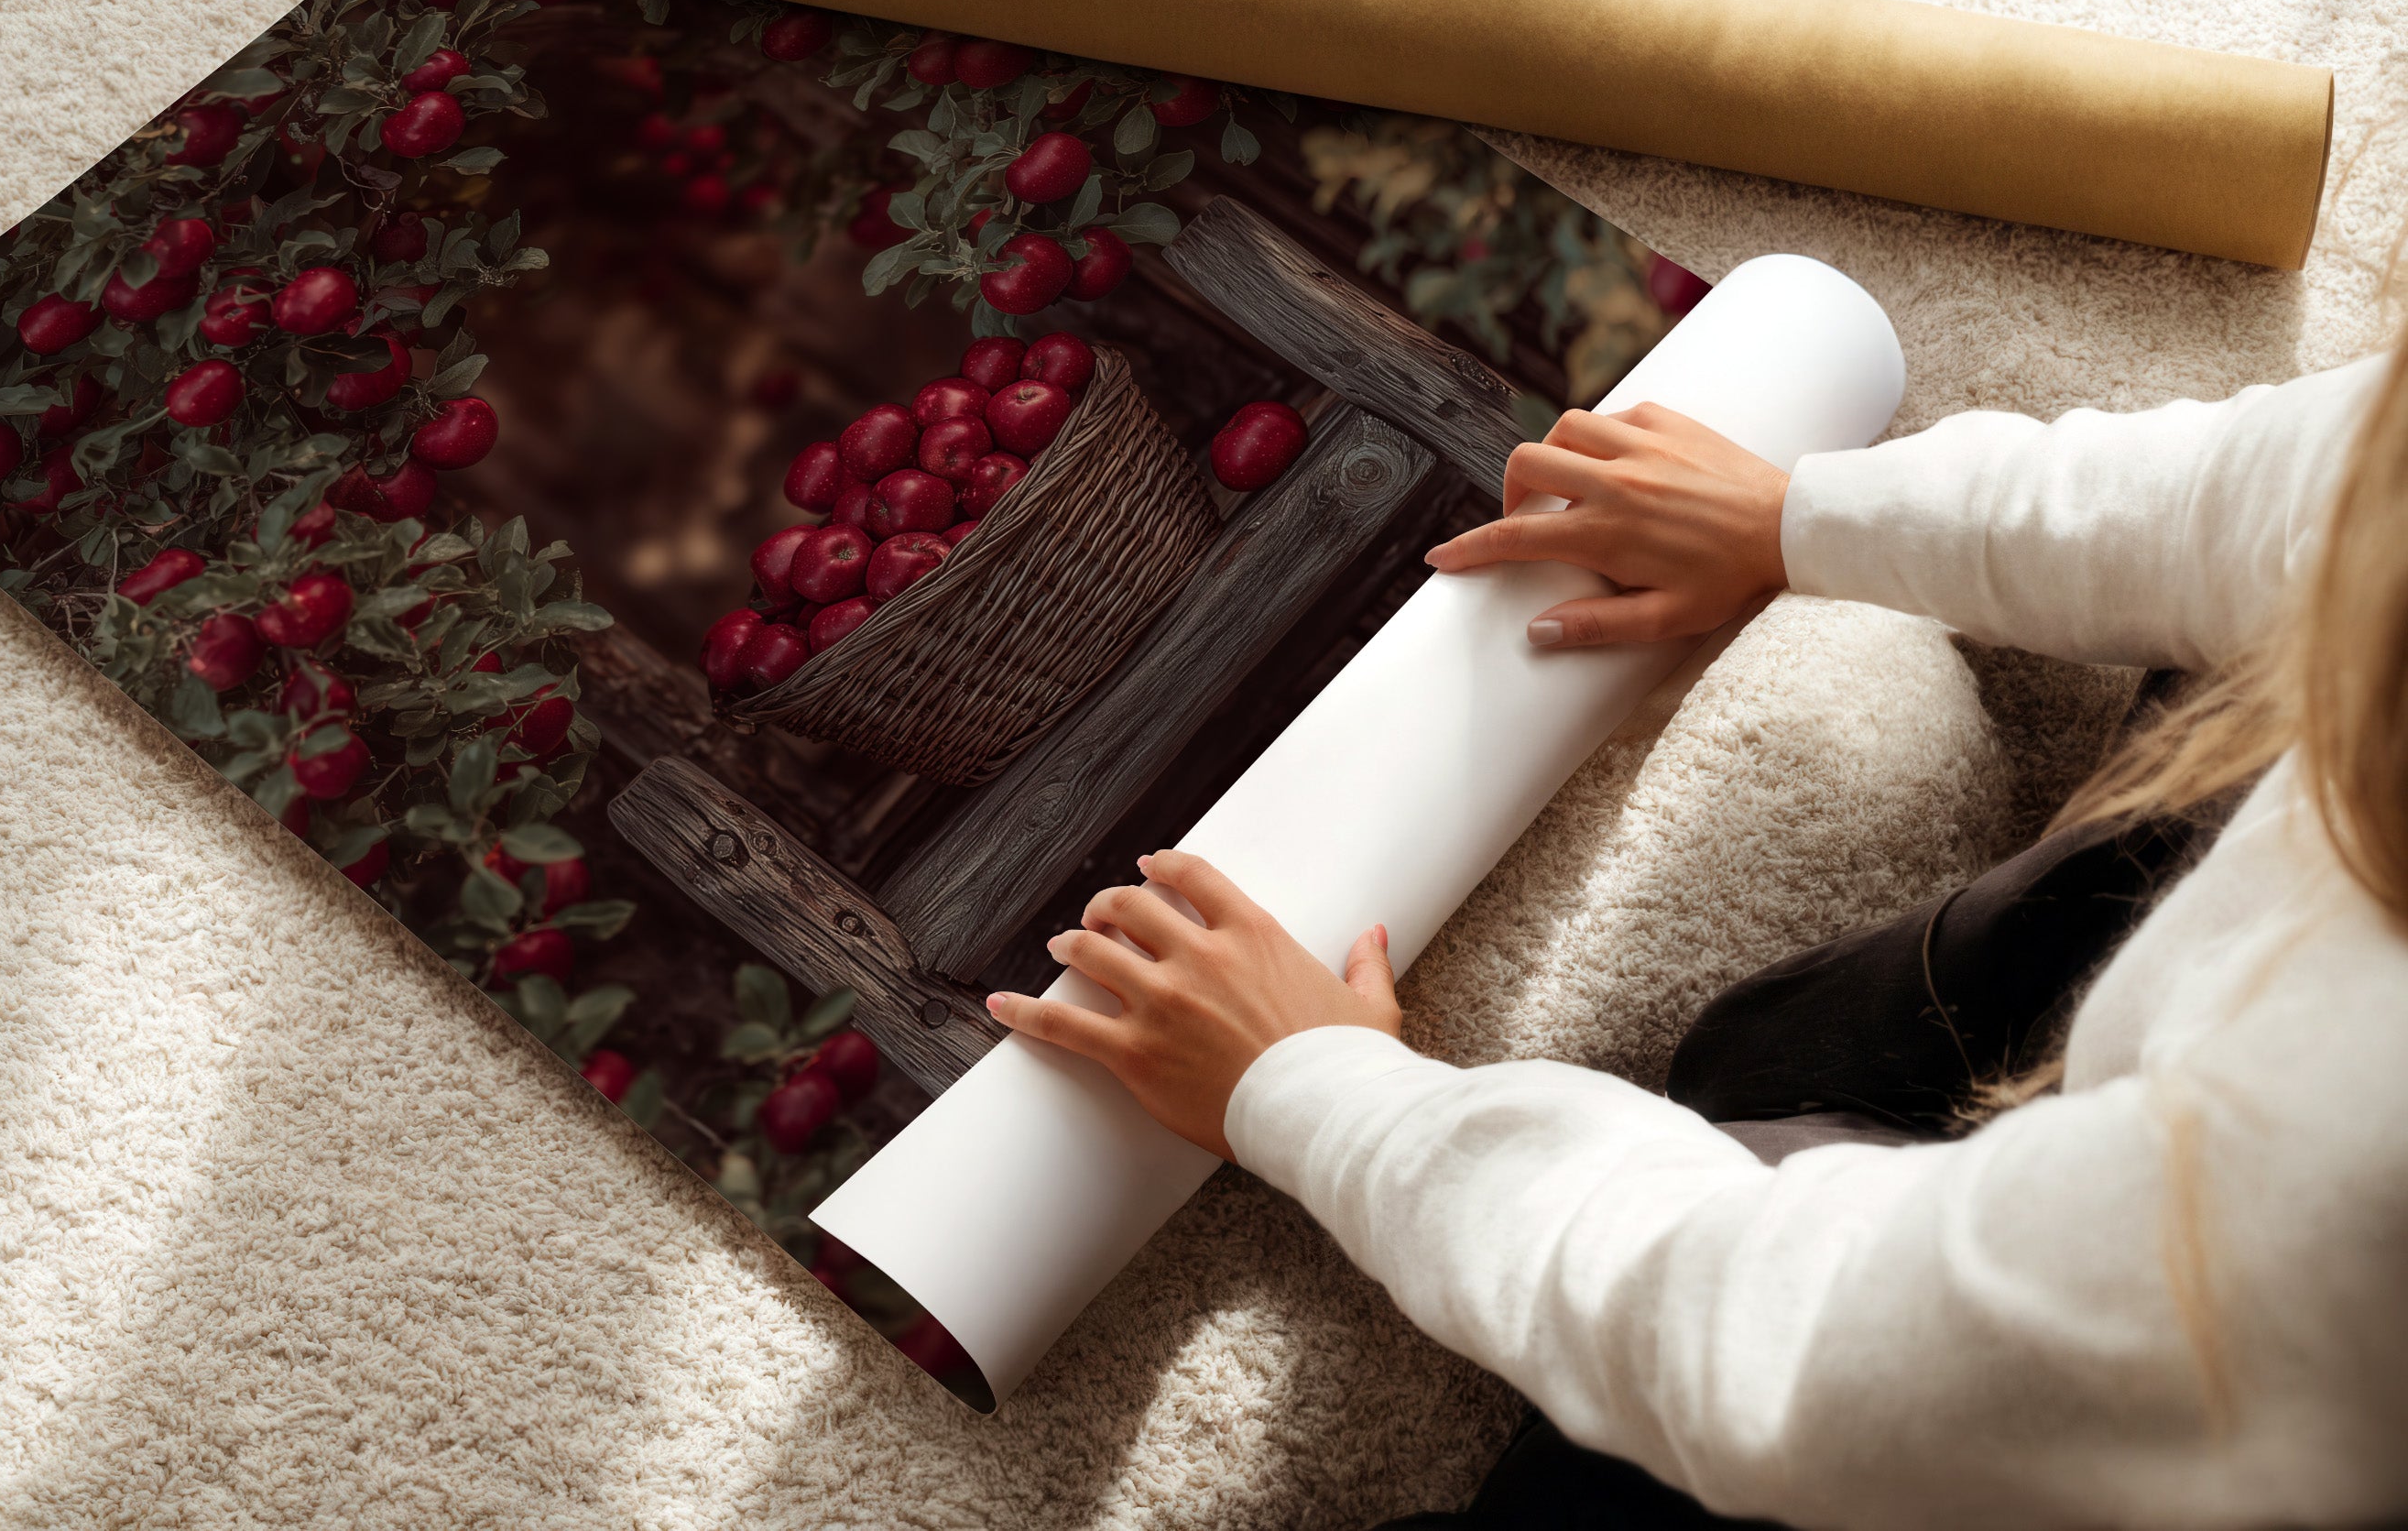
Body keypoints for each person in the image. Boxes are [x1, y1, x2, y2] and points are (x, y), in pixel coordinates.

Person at [984, 340, 2408, 1528]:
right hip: (2208, 1111)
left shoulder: (2340, 1177)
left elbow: (1794, 1350)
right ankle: (1829, 1082)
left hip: (2206, 1400)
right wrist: (1798, 515)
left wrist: (1321, 1094)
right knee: (1783, 1053)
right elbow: (2296, 486)